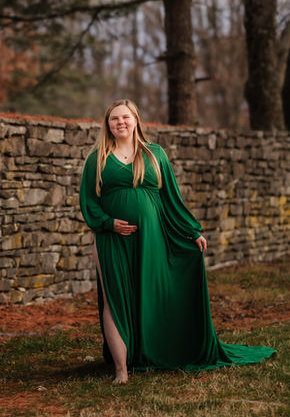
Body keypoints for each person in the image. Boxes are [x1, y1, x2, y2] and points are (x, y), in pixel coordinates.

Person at [79, 99, 275, 384]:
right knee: (115, 300)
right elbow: (88, 201)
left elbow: (170, 200)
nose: (120, 122)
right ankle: (122, 370)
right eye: (114, 118)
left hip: (153, 238)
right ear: (107, 124)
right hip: (111, 240)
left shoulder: (154, 154)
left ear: (136, 120)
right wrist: (108, 223)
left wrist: (192, 231)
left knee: (153, 294)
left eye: (126, 117)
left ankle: (153, 350)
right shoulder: (97, 158)